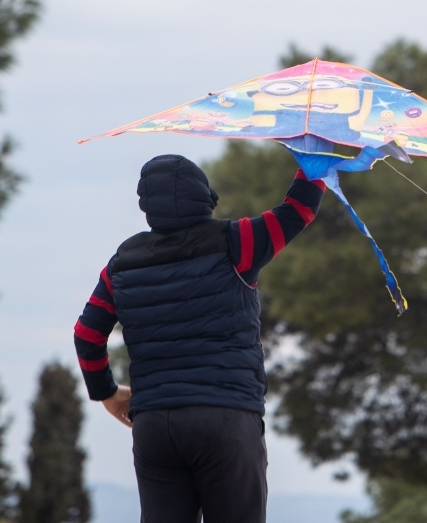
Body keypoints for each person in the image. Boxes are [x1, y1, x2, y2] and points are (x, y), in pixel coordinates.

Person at [73, 154, 326, 523]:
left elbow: (86, 334)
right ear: (205, 196)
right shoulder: (237, 242)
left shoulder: (121, 265)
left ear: (146, 205)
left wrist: (108, 395)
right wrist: (314, 153)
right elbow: (300, 208)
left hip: (155, 426)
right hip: (226, 418)